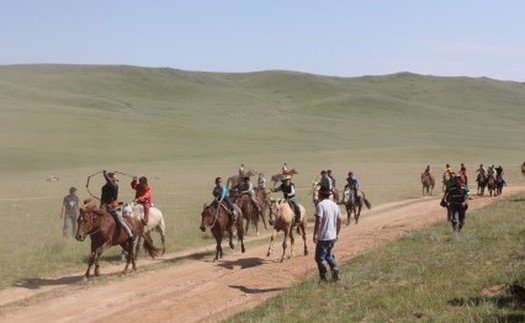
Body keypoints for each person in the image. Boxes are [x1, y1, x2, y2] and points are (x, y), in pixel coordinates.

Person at [313, 187, 341, 282]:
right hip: (332, 236)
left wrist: (315, 234)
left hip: (323, 236)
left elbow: (319, 220)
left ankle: (323, 278)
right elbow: (339, 220)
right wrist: (336, 233)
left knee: (319, 258)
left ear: (321, 194)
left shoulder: (320, 205)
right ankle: (336, 273)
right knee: (329, 256)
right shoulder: (335, 205)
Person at [100, 170, 134, 241]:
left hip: (114, 208)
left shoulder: (115, 186)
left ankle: (130, 235)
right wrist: (102, 207)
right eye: (114, 179)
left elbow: (109, 181)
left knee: (120, 220)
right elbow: (102, 199)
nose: (115, 181)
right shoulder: (103, 188)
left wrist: (105, 175)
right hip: (104, 207)